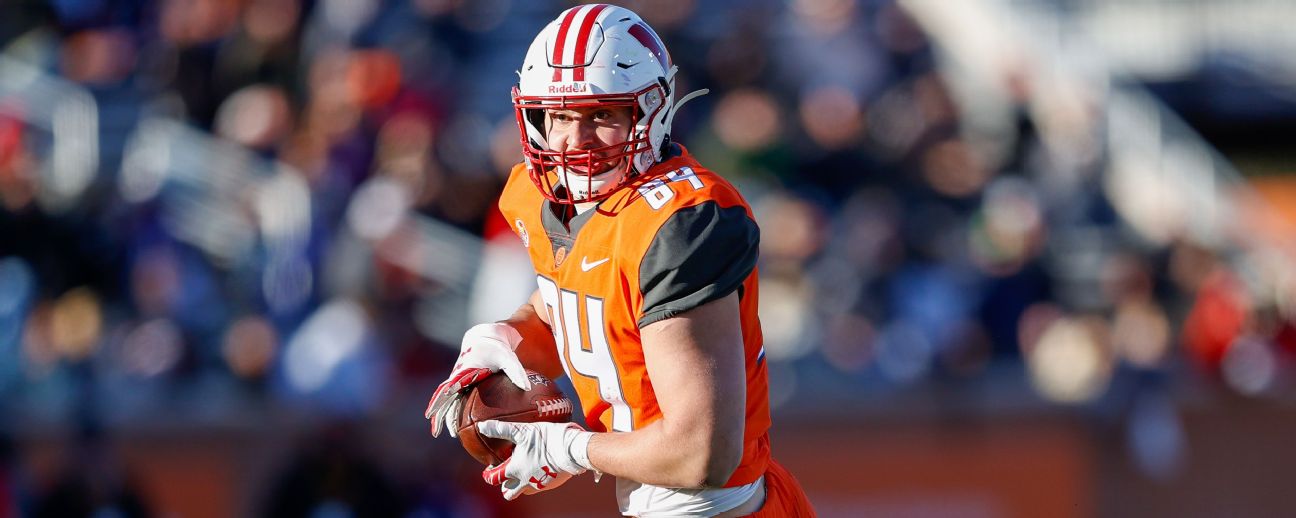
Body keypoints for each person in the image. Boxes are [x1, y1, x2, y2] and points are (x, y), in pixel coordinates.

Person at [424, 4, 814, 517]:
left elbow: (702, 454)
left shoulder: (681, 222)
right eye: (561, 115)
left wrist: (570, 449)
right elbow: (589, 298)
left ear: (649, 111)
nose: (576, 141)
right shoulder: (540, 198)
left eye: (602, 114)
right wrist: (507, 337)